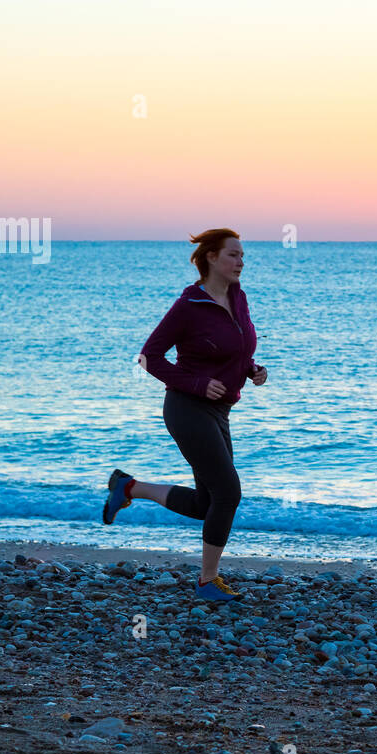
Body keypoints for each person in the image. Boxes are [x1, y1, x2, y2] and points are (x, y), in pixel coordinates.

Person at [102, 228, 267, 602]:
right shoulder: (189, 306)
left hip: (219, 411)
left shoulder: (238, 300)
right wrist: (195, 384)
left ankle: (128, 487)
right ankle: (208, 582)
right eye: (233, 255)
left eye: (242, 256)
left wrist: (253, 370)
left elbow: (233, 351)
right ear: (210, 258)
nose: (241, 262)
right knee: (228, 493)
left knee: (206, 504)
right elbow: (149, 357)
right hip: (186, 408)